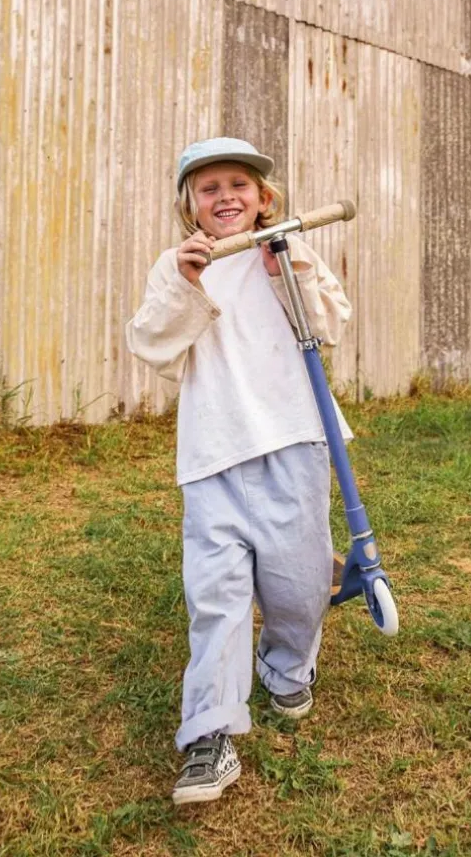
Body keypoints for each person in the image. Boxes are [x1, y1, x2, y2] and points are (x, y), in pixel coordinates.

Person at [125, 137, 353, 805]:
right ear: (190, 205)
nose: (225, 197)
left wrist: (287, 268)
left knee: (298, 584)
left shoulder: (287, 247)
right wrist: (186, 285)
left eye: (238, 185)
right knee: (216, 593)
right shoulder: (178, 266)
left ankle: (288, 666)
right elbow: (152, 344)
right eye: (209, 188)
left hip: (292, 439)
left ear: (263, 198)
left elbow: (330, 323)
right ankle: (210, 734)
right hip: (213, 451)